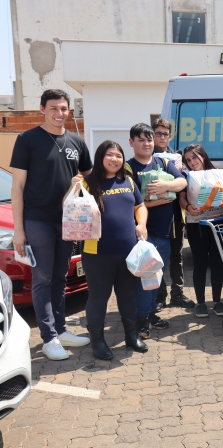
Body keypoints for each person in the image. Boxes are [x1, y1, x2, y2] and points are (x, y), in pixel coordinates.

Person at [10, 89, 92, 361]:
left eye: (64, 108)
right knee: (43, 278)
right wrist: (19, 230)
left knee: (60, 276)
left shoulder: (76, 142)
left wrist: (80, 180)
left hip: (68, 222)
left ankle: (61, 328)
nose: (60, 113)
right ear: (42, 109)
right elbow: (18, 186)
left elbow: (88, 175)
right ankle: (49, 338)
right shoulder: (27, 139)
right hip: (38, 220)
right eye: (54, 108)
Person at [64, 141, 149, 359]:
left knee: (128, 295)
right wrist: (73, 188)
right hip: (96, 253)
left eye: (118, 155)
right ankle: (98, 342)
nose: (114, 159)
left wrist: (141, 224)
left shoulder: (128, 181)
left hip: (128, 251)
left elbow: (140, 206)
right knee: (99, 297)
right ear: (100, 157)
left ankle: (131, 336)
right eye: (110, 155)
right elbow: (68, 207)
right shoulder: (88, 182)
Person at [125, 123, 187, 339]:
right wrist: (158, 201)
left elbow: (182, 182)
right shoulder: (128, 168)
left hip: (164, 231)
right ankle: (141, 319)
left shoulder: (162, 162)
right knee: (144, 277)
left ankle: (150, 314)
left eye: (149, 139)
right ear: (132, 142)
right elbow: (129, 202)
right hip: (142, 234)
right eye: (141, 139)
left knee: (156, 276)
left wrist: (165, 188)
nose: (147, 143)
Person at [178, 144, 223, 318]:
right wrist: (189, 207)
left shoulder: (219, 174)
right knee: (199, 264)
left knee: (217, 263)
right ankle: (200, 303)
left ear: (203, 156)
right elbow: (182, 199)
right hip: (196, 225)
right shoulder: (186, 176)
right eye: (188, 160)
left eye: (195, 158)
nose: (192, 162)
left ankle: (217, 301)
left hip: (218, 222)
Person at [152, 118, 193, 310]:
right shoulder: (147, 156)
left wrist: (183, 172)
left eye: (165, 134)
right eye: (158, 133)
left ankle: (177, 294)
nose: (162, 137)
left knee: (176, 255)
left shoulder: (176, 157)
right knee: (156, 257)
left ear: (170, 136)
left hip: (176, 213)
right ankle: (159, 296)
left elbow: (184, 183)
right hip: (154, 215)